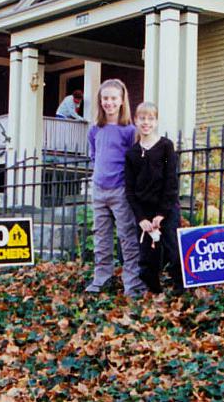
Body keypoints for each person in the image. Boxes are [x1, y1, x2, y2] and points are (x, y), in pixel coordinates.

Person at [85, 79, 146, 297]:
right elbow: (94, 156)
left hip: (120, 190)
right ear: (100, 102)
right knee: (101, 238)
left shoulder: (129, 131)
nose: (108, 103)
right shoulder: (95, 130)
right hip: (99, 190)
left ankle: (133, 283)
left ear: (121, 101)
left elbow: (134, 160)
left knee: (127, 237)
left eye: (113, 98)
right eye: (105, 98)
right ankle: (102, 278)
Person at [124, 102, 184, 294]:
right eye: (142, 118)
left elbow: (170, 181)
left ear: (156, 121)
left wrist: (162, 214)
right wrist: (141, 218)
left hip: (165, 209)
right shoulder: (132, 154)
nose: (146, 122)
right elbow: (130, 189)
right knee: (147, 260)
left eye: (150, 118)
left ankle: (180, 292)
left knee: (173, 252)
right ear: (135, 121)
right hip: (145, 212)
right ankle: (155, 293)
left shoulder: (166, 148)